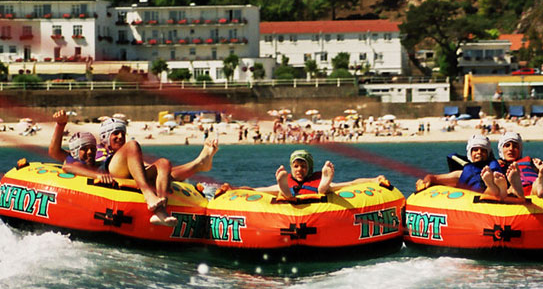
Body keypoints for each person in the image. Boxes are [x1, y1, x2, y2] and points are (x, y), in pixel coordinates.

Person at [48, 110, 219, 225]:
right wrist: (60, 125)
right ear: (105, 137)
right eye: (115, 133)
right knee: (133, 146)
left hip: (126, 171)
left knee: (164, 164)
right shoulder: (90, 152)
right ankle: (149, 196)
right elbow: (62, 160)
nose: (120, 136)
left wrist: (161, 171)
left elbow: (149, 169)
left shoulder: (125, 154)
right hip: (110, 171)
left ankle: (161, 209)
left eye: (122, 133)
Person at [234, 149, 387, 199]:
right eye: (296, 166)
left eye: (303, 166)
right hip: (290, 196)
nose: (299, 170)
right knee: (279, 190)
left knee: (327, 189)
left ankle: (323, 187)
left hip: (318, 193)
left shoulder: (316, 180)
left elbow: (352, 183)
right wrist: (233, 190)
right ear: (291, 168)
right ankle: (286, 192)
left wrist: (375, 179)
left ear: (310, 168)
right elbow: (255, 190)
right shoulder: (287, 182)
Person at [415, 134, 505, 195]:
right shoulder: (462, 173)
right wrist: (426, 180)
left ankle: (492, 186)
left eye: (483, 150)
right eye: (475, 150)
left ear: (488, 153)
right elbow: (434, 178)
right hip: (474, 201)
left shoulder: (494, 168)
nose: (479, 152)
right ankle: (491, 186)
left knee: (496, 181)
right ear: (470, 153)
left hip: (493, 193)